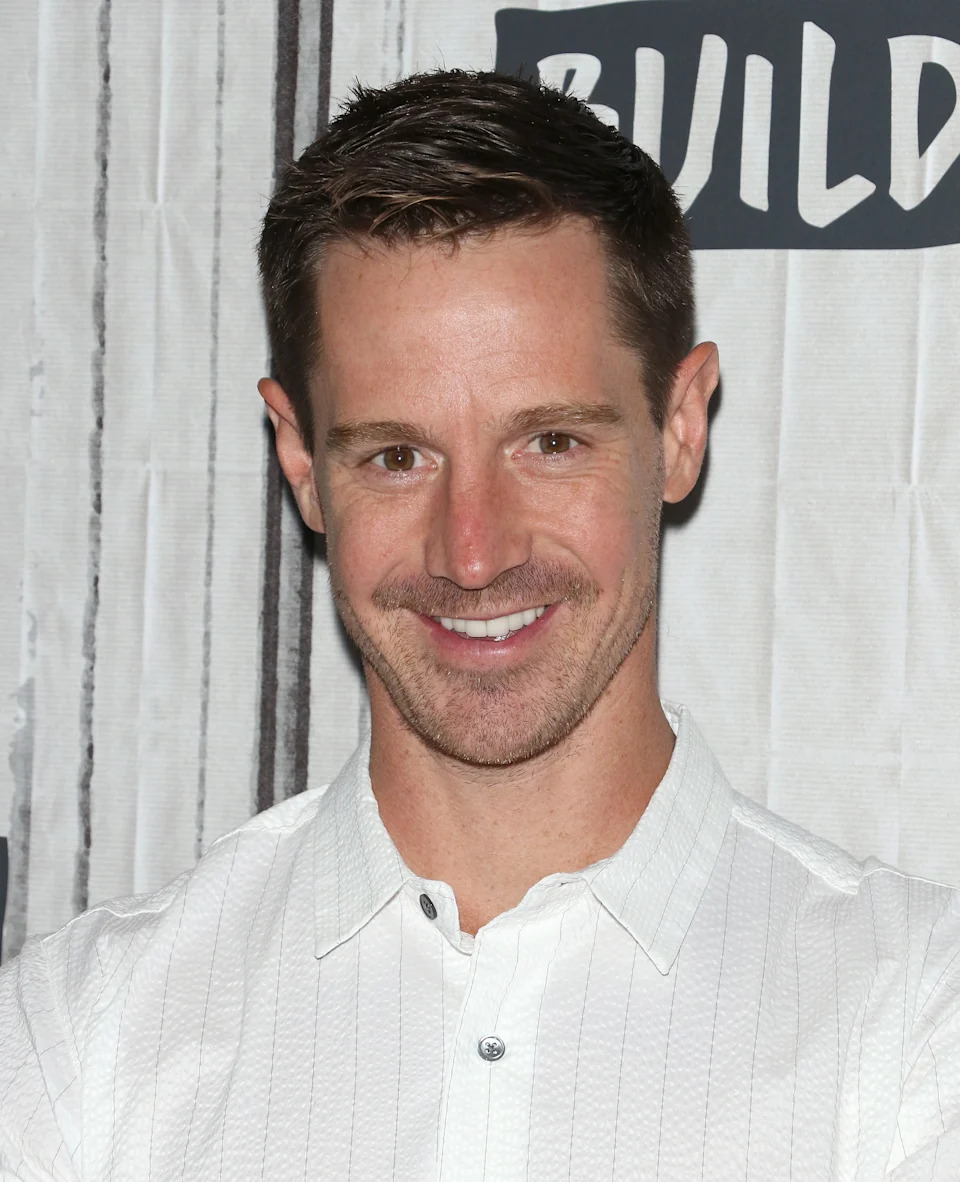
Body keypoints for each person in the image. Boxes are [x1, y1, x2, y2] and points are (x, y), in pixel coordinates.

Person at [1, 68, 958, 1182]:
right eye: (396, 456)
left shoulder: (914, 1027)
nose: (474, 551)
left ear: (681, 425)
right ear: (302, 462)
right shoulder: (81, 1041)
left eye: (550, 442)